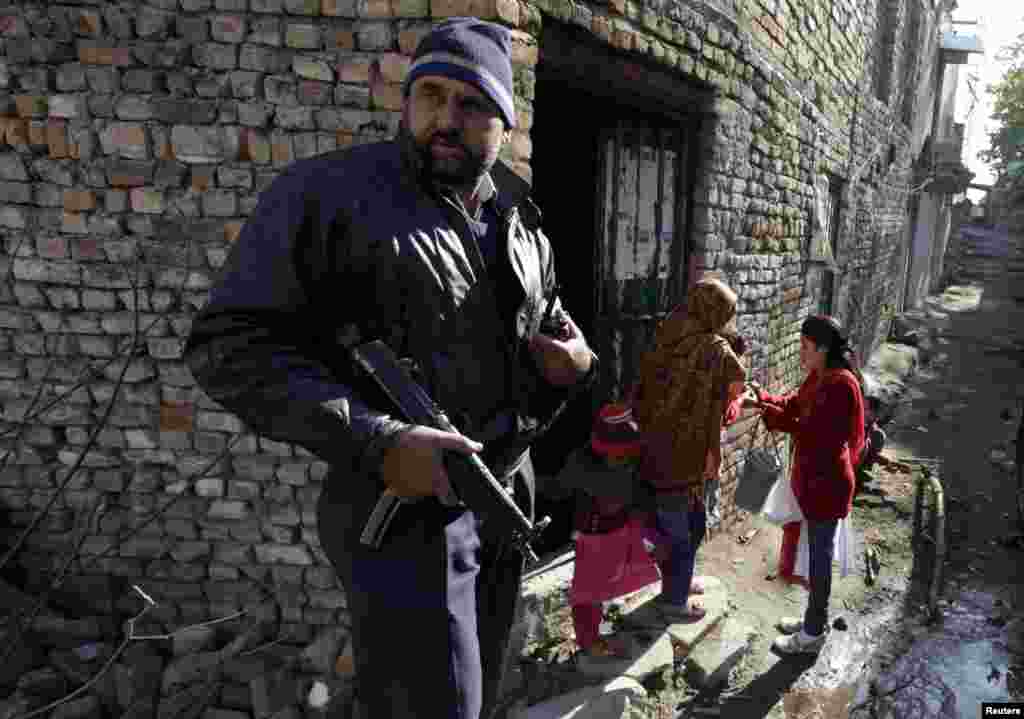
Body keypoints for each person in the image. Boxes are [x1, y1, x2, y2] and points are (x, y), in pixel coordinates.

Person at [184, 18, 596, 719]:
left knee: (483, 691)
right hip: (402, 515)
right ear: (406, 101)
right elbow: (229, 344)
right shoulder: (328, 197)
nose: (446, 118)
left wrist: (576, 359)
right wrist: (375, 440)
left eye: (471, 103)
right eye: (430, 94)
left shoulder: (519, 213)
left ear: (503, 118)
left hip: (503, 494)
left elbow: (550, 315)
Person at [746, 315, 865, 655]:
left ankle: (812, 634)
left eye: (805, 347)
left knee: (819, 560)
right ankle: (814, 620)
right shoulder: (820, 376)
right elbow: (796, 405)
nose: (801, 353)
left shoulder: (841, 384)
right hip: (814, 479)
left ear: (823, 349)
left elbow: (814, 431)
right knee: (813, 553)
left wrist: (772, 414)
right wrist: (765, 399)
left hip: (828, 483)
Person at [632, 278, 749, 622]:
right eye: (727, 314)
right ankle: (673, 602)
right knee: (684, 530)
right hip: (690, 453)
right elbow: (736, 386)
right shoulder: (715, 349)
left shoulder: (667, 332)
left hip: (656, 446)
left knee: (680, 524)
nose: (728, 322)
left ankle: (678, 584)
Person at [557, 403, 660, 667]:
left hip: (619, 530)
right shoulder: (582, 464)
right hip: (592, 537)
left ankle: (593, 631)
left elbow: (636, 492)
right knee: (587, 593)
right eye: (618, 454)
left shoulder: (629, 461)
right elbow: (561, 488)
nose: (622, 458)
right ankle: (589, 640)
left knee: (603, 585)